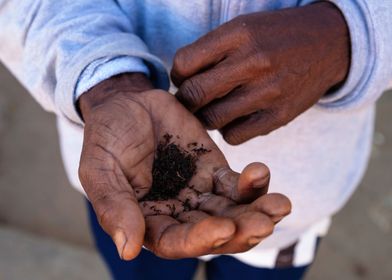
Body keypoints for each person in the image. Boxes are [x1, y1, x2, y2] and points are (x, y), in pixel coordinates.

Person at [0, 0, 391, 279]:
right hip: (127, 180)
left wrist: (354, 34)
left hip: (297, 198)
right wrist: (106, 83)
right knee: (138, 262)